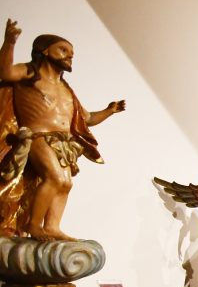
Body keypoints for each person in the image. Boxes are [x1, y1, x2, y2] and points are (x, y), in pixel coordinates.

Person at [0, 19, 125, 239]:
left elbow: (87, 118)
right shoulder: (30, 73)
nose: (69, 55)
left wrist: (109, 111)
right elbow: (6, 72)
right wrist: (9, 42)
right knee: (55, 178)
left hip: (64, 142)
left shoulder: (66, 88)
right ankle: (33, 225)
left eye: (71, 53)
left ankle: (52, 226)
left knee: (66, 183)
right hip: (38, 136)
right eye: (63, 50)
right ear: (45, 50)